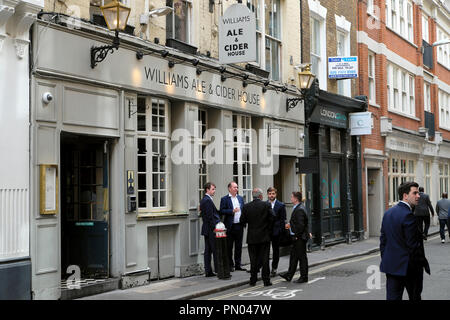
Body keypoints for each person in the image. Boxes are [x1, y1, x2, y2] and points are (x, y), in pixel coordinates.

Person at [380, 181, 430, 300]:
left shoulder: (388, 213)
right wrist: (420, 266)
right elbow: (414, 246)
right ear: (405, 195)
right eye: (415, 193)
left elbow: (383, 242)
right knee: (415, 296)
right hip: (409, 269)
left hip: (391, 267)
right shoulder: (408, 215)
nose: (418, 196)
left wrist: (388, 259)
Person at [240, 188, 274, 287]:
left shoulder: (246, 207)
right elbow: (273, 217)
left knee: (253, 260)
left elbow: (242, 221)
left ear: (253, 196)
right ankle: (266, 280)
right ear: (260, 196)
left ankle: (253, 280)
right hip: (264, 237)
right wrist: (268, 229)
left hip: (252, 237)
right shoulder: (266, 205)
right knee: (265, 259)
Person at [279, 192, 310, 284]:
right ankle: (289, 275)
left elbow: (300, 226)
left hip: (299, 238)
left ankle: (304, 277)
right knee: (293, 257)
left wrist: (294, 233)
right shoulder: (298, 207)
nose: (291, 198)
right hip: (297, 237)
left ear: (296, 199)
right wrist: (290, 225)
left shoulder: (299, 209)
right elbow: (298, 223)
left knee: (302, 257)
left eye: (292, 197)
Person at [220, 181, 246, 272]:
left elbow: (244, 210)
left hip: (239, 225)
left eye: (237, 187)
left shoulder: (240, 198)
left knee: (238, 246)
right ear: (229, 189)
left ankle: (238, 265)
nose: (236, 189)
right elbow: (222, 210)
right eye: (234, 187)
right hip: (230, 226)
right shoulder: (224, 199)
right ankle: (230, 265)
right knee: (229, 247)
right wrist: (232, 211)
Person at [200, 182, 220, 277]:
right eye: (212, 189)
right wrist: (215, 228)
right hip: (211, 229)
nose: (214, 191)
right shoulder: (207, 200)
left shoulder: (206, 199)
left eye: (214, 189)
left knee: (208, 251)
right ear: (207, 190)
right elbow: (210, 217)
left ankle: (208, 271)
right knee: (214, 250)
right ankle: (218, 270)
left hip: (207, 229)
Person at [267, 187, 287, 277]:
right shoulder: (264, 204)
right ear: (267, 194)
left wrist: (281, 232)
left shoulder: (281, 205)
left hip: (276, 232)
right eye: (270, 194)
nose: (271, 195)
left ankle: (274, 268)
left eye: (273, 194)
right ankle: (265, 268)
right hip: (266, 232)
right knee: (265, 251)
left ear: (276, 194)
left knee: (275, 251)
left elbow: (283, 220)